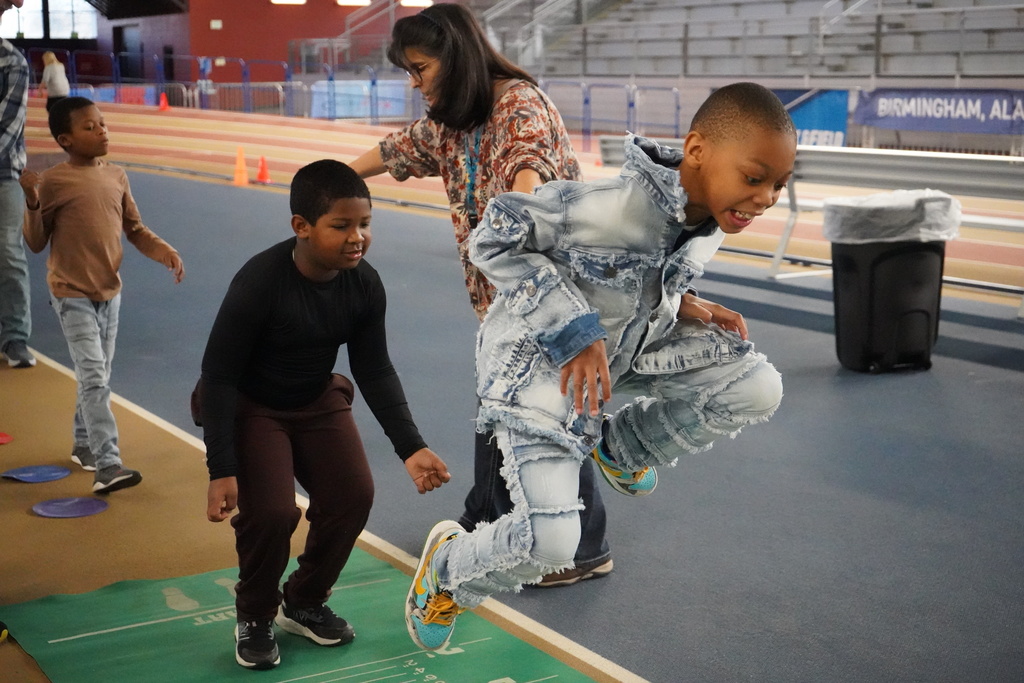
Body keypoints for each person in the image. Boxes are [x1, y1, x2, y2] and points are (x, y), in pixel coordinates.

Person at [403, 82, 796, 652]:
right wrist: (576, 330)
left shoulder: (708, 213)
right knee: (554, 545)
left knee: (756, 386)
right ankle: (449, 570)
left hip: (623, 353)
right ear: (697, 151)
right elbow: (495, 236)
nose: (765, 198)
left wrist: (684, 304)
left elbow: (627, 278)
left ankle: (621, 449)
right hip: (537, 367)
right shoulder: (609, 208)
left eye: (779, 185)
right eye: (755, 178)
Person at [349, 1, 613, 588]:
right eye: (407, 73)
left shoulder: (519, 105)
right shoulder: (452, 118)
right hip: (503, 301)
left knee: (544, 418)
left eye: (420, 68)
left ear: (457, 57)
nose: (415, 83)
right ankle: (490, 516)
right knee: (508, 410)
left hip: (552, 295)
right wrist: (335, 176)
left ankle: (580, 549)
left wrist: (519, 213)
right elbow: (401, 148)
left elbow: (530, 173)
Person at [196, 159, 452, 671]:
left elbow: (374, 368)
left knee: (353, 495)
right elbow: (219, 376)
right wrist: (221, 468)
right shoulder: (260, 282)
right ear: (302, 227)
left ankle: (305, 600)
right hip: (252, 405)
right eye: (342, 226)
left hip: (315, 399)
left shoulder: (362, 284)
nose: (358, 237)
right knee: (270, 513)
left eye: (364, 224)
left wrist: (411, 446)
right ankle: (254, 614)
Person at [20, 96, 185, 492]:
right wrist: (31, 200)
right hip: (70, 292)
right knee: (94, 377)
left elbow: (135, 229)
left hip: (110, 292)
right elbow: (36, 241)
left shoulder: (117, 176)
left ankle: (83, 444)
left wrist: (163, 250)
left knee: (98, 375)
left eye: (102, 123)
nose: (101, 130)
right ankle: (108, 464)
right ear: (66, 139)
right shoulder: (56, 181)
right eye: (89, 127)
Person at [0, 0, 35, 369]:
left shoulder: (12, 62)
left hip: (2, 174)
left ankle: (14, 338)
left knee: (7, 252)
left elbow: (7, 127)